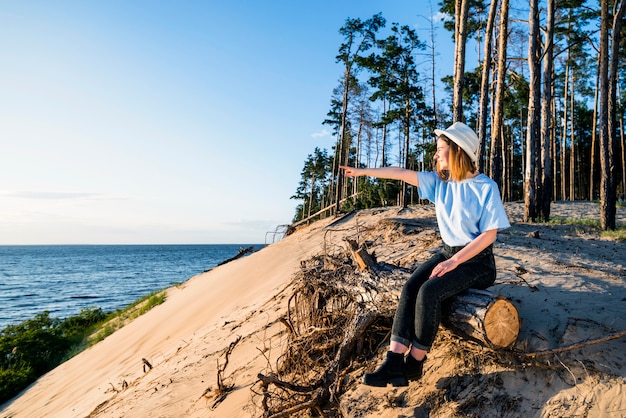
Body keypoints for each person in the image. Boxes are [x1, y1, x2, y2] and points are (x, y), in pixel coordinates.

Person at [340, 121, 510, 387]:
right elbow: (400, 173)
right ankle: (393, 362)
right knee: (410, 287)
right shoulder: (439, 183)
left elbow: (489, 236)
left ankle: (414, 363)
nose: (435, 154)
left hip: (478, 262)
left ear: (457, 151)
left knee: (429, 292)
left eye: (440, 149)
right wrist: (362, 171)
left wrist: (454, 262)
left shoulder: (485, 187)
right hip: (447, 252)